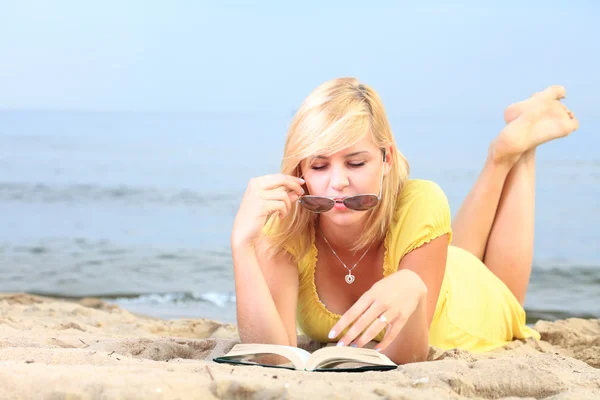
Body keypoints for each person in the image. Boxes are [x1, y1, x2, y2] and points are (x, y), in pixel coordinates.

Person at [230, 77, 579, 365]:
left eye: (355, 163)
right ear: (300, 169)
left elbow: (408, 359)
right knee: (456, 256)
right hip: (443, 260)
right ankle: (503, 153)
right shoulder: (286, 223)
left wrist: (413, 289)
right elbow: (273, 357)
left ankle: (521, 151)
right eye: (319, 166)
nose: (337, 182)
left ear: (386, 159)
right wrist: (242, 246)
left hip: (469, 306)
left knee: (505, 294)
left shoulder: (420, 202)